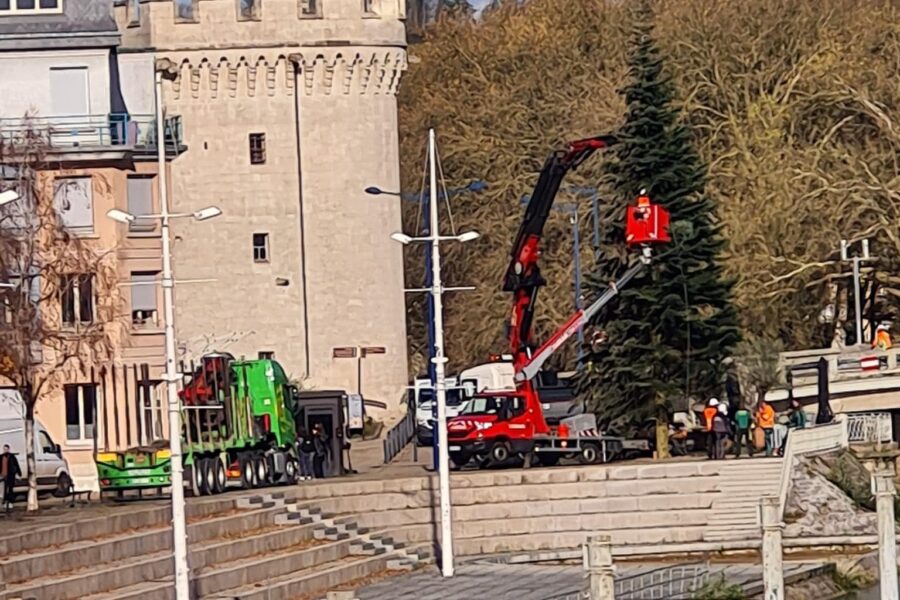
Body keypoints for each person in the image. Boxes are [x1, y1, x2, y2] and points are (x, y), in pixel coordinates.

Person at [1, 444, 21, 511]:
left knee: (10, 489)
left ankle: (10, 502)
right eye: (4, 449)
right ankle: (5, 502)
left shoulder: (12, 457)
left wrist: (19, 473)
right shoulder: (1, 457)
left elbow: (16, 465)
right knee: (4, 490)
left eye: (6, 449)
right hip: (4, 475)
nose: (5, 450)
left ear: (9, 449)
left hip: (11, 475)